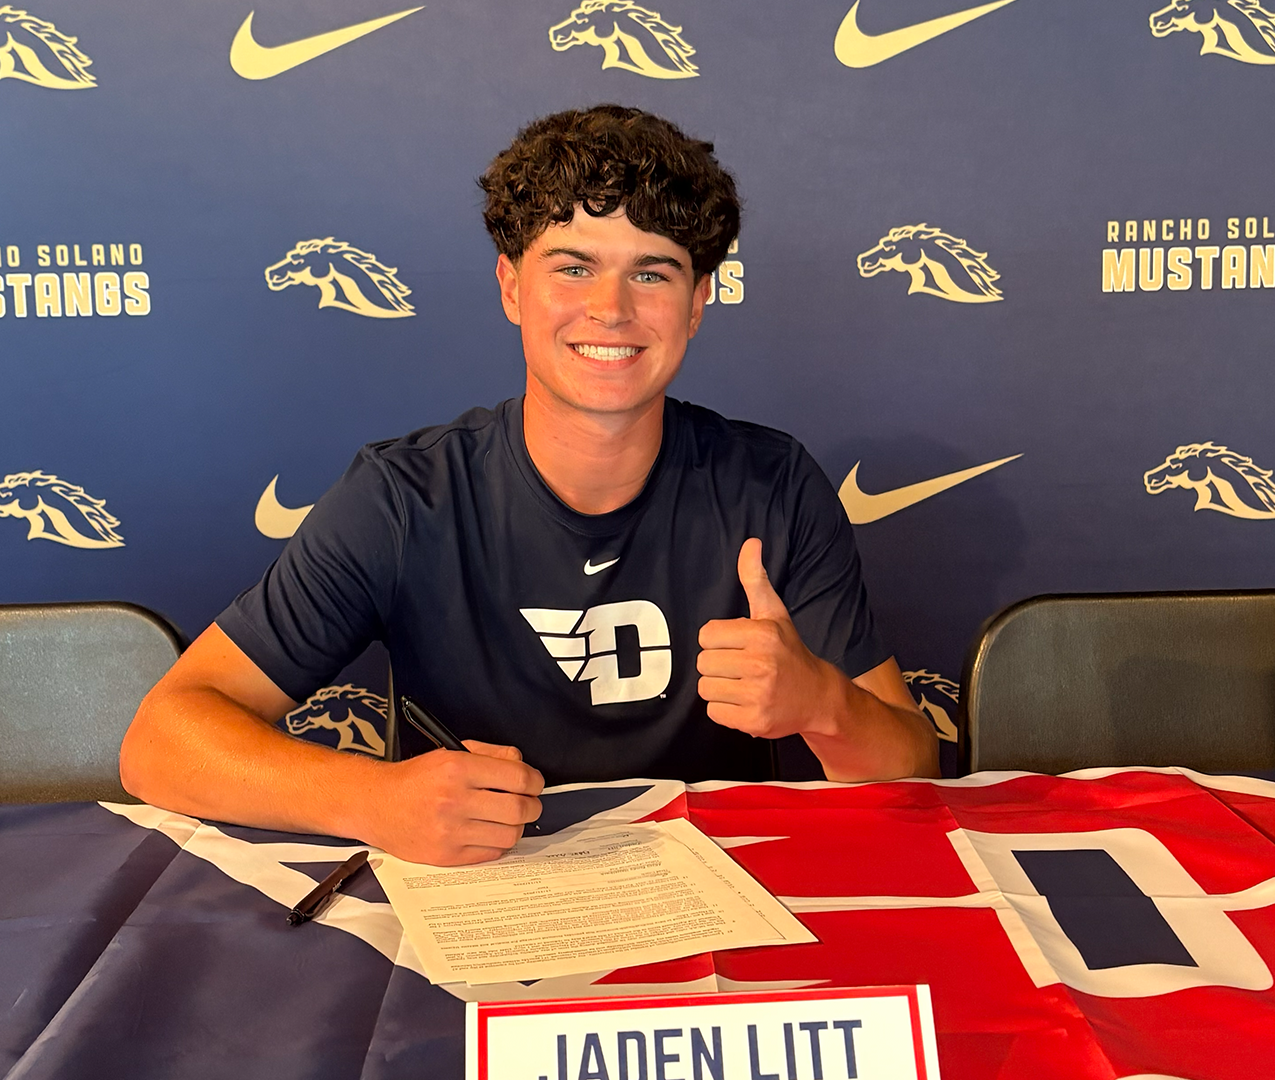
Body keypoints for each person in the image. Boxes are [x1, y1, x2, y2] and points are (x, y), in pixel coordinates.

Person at [120, 105, 938, 866]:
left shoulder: (772, 481)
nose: (611, 309)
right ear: (512, 286)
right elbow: (161, 740)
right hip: (484, 898)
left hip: (722, 904)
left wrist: (822, 703)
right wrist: (372, 797)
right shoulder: (406, 498)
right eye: (574, 268)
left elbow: (912, 765)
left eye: (652, 274)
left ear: (696, 305)